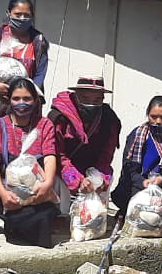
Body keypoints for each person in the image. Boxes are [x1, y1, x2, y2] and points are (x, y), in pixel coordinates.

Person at [0, 77, 59, 247]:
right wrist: (3, 193)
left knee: (42, 218)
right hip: (9, 191)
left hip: (38, 190)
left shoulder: (44, 125)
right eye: (16, 99)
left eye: (27, 99)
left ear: (35, 100)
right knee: (18, 221)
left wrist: (47, 183)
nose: (21, 103)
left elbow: (50, 155)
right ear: (8, 100)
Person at [113, 96, 162, 231]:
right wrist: (142, 181)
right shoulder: (136, 135)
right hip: (139, 180)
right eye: (153, 117)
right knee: (136, 194)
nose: (158, 121)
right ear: (148, 115)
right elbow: (129, 166)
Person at [47, 74, 121, 206]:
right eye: (85, 98)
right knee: (61, 208)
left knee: (93, 209)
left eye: (97, 100)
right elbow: (58, 156)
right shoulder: (59, 118)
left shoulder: (109, 119)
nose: (91, 104)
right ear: (75, 96)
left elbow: (106, 155)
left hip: (93, 171)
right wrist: (78, 181)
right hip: (61, 172)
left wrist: (99, 179)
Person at [0, 0, 49, 127]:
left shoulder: (38, 41)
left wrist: (27, 95)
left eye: (26, 15)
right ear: (9, 13)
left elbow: (40, 73)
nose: (22, 18)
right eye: (18, 14)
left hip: (25, 105)